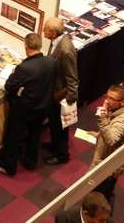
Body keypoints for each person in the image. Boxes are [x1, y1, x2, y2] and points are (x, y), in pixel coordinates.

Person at [0, 33, 55, 176]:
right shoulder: (51, 61)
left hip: (25, 108)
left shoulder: (25, 67)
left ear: (26, 47)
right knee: (35, 135)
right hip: (43, 106)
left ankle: (8, 166)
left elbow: (9, 86)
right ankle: (30, 162)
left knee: (13, 136)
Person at [91, 84, 124, 203]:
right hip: (107, 161)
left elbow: (111, 140)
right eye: (107, 97)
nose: (107, 101)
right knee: (105, 194)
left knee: (98, 198)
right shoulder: (115, 110)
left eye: (112, 99)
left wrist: (103, 118)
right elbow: (111, 130)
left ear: (123, 102)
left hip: (108, 167)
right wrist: (99, 134)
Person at [43, 17, 78, 165]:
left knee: (61, 127)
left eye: (45, 29)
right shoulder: (56, 42)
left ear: (52, 32)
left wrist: (69, 102)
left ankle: (62, 155)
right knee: (54, 123)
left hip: (61, 97)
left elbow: (72, 78)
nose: (43, 31)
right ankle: (54, 145)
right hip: (54, 92)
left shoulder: (65, 50)